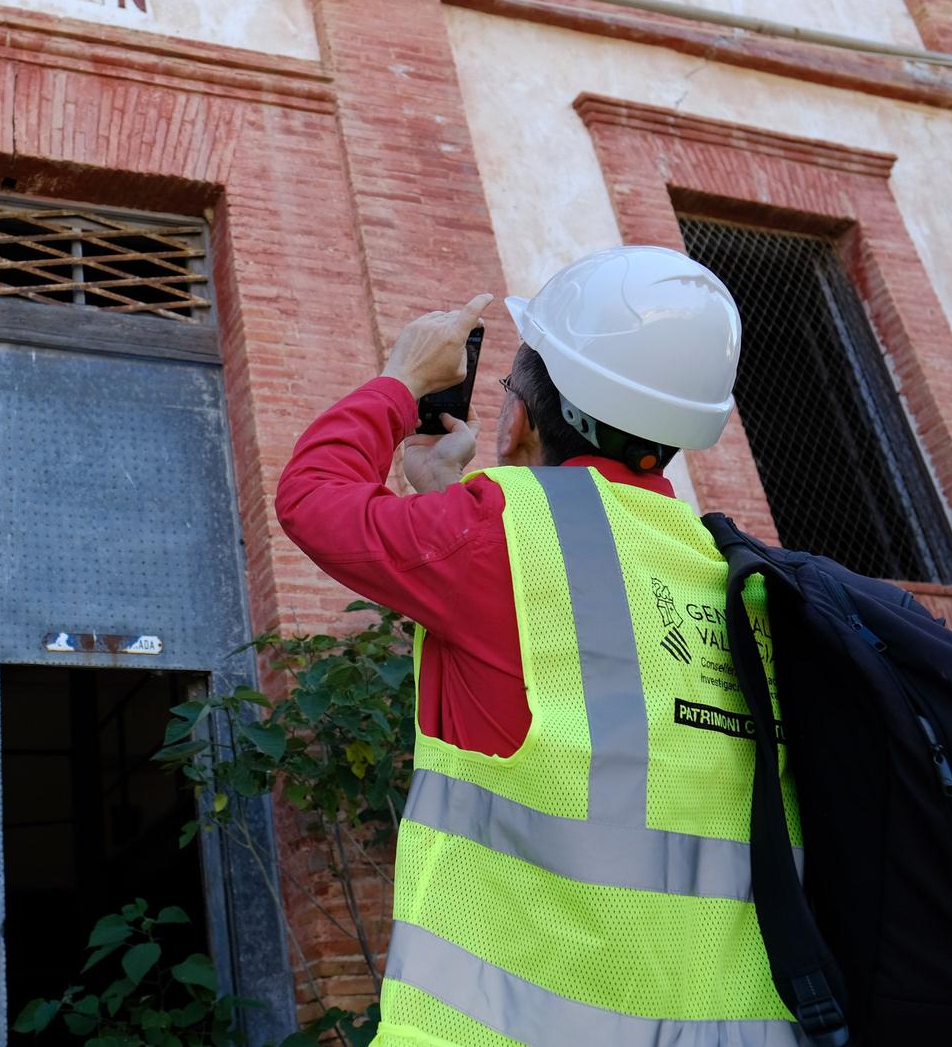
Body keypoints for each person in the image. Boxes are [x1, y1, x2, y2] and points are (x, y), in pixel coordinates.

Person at [275, 245, 801, 1046]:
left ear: (517, 418)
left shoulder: (501, 533)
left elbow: (314, 497)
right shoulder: (739, 581)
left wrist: (401, 379)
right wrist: (444, 498)